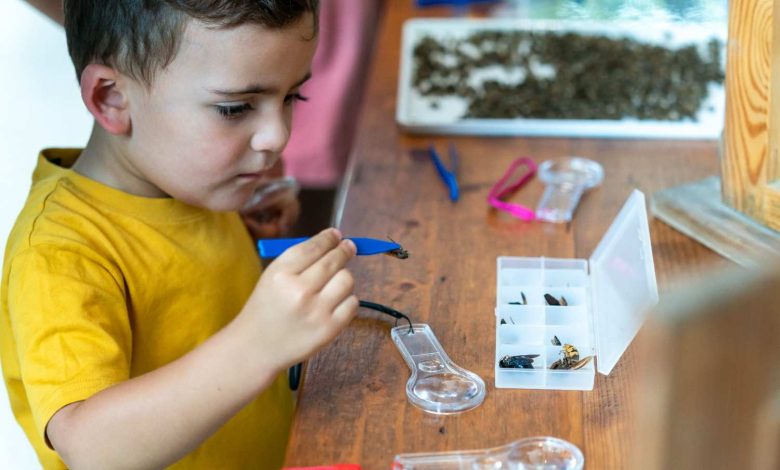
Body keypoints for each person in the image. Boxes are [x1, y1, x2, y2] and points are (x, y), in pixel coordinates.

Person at [0, 1, 359, 469]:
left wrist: (247, 226)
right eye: (234, 108)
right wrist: (257, 344)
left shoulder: (187, 181)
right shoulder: (58, 253)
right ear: (111, 97)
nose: (276, 135)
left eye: (292, 97)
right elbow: (90, 449)